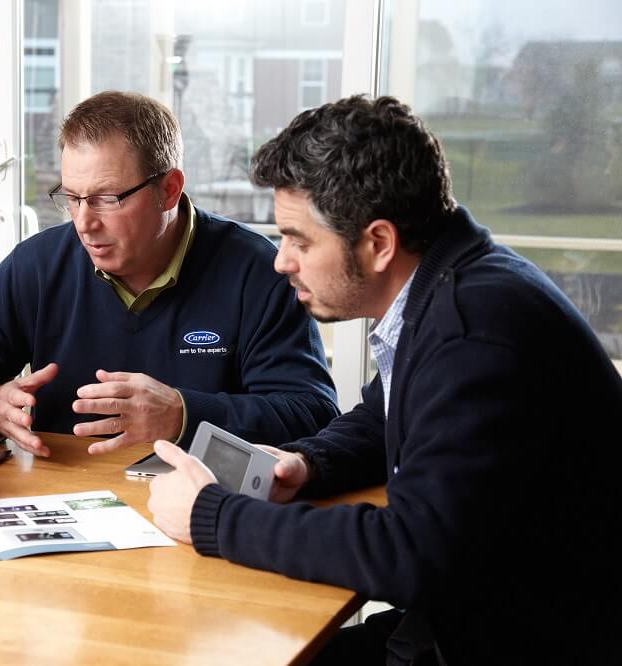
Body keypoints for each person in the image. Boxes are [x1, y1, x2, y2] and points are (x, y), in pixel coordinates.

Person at [147, 95, 622, 665]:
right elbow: (386, 413)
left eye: (299, 240)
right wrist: (310, 463)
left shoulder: (471, 333)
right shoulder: (452, 286)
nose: (281, 261)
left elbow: (412, 553)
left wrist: (213, 517)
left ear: (378, 243)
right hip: (477, 616)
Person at [0, 91, 338, 457]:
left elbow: (311, 412)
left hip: (204, 505)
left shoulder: (258, 270)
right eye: (72, 198)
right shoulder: (37, 265)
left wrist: (183, 414)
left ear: (169, 190)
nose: (84, 222)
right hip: (63, 502)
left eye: (106, 198)